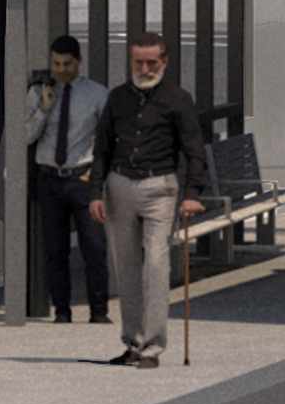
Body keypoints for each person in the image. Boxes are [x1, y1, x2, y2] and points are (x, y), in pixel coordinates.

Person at [83, 30, 203, 369]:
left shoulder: (178, 99)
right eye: (139, 62)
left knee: (155, 265)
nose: (145, 68)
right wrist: (96, 192)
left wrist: (193, 194)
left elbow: (194, 151)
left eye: (152, 62)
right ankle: (132, 343)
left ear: (164, 62)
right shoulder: (117, 98)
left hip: (159, 189)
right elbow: (102, 149)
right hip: (119, 186)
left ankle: (152, 348)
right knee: (125, 269)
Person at [25, 35, 109, 325]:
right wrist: (44, 109)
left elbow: (109, 139)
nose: (60, 69)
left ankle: (99, 311)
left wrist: (97, 174)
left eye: (67, 64)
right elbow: (25, 136)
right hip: (49, 179)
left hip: (82, 177)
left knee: (94, 246)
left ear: (78, 62)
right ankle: (62, 311)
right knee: (54, 249)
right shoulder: (38, 94)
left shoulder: (96, 94)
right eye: (56, 63)